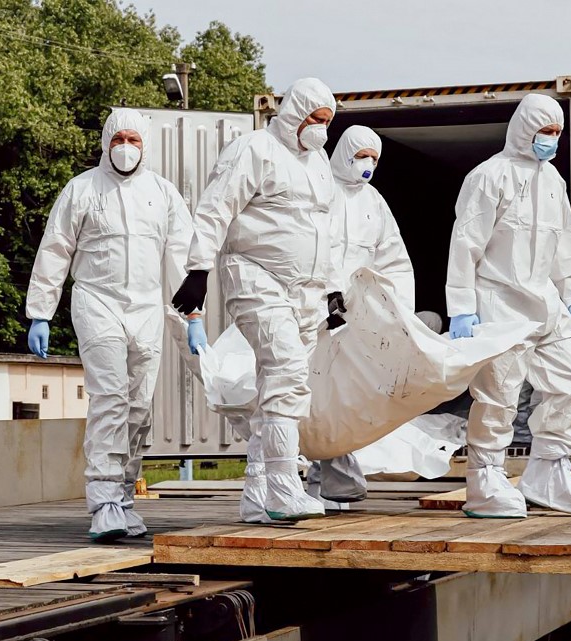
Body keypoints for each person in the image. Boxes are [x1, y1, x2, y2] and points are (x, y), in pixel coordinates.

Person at [173, 78, 343, 522]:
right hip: (255, 275)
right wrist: (197, 270)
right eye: (314, 119)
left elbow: (326, 229)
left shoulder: (319, 162)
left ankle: (256, 495)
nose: (320, 130)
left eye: (327, 122)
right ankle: (285, 490)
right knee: (285, 374)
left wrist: (333, 287)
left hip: (305, 290)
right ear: (293, 113)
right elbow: (215, 209)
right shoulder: (253, 150)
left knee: (280, 389)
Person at [26, 108, 193, 541]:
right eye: (117, 139)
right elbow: (55, 249)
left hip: (147, 307)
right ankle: (102, 501)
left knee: (139, 407)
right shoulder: (82, 189)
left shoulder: (163, 194)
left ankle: (123, 499)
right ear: (105, 142)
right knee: (111, 399)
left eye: (133, 140)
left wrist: (191, 315)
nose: (125, 147)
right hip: (96, 300)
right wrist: (41, 310)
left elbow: (179, 259)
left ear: (146, 144)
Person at [446, 93, 571, 517]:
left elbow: (567, 242)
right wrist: (461, 305)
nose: (551, 140)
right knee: (499, 393)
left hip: (546, 302)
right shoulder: (488, 176)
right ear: (525, 129)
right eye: (545, 131)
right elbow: (465, 243)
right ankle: (485, 478)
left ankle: (547, 468)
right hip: (499, 301)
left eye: (556, 133)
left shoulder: (553, 182)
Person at [310, 125, 415, 503]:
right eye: (361, 156)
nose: (367, 164)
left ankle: (336, 472)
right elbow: (305, 247)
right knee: (307, 390)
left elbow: (392, 256)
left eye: (374, 157)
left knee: (347, 392)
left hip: (357, 314)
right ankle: (302, 473)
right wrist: (323, 294)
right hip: (315, 310)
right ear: (344, 154)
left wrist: (399, 305)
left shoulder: (374, 203)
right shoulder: (320, 191)